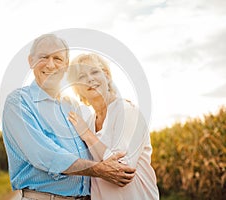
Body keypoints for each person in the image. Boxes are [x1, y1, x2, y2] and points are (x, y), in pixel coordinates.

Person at [2, 34, 136, 200]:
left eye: (58, 58)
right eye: (44, 57)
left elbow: (101, 131)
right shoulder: (19, 103)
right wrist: (99, 169)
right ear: (31, 61)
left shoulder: (72, 106)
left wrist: (120, 104)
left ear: (66, 66)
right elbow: (45, 155)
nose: (50, 64)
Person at [67, 53, 159, 200]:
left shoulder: (127, 111)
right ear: (77, 88)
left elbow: (123, 169)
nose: (90, 79)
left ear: (107, 76)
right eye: (81, 77)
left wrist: (86, 134)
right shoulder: (89, 122)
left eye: (94, 71)